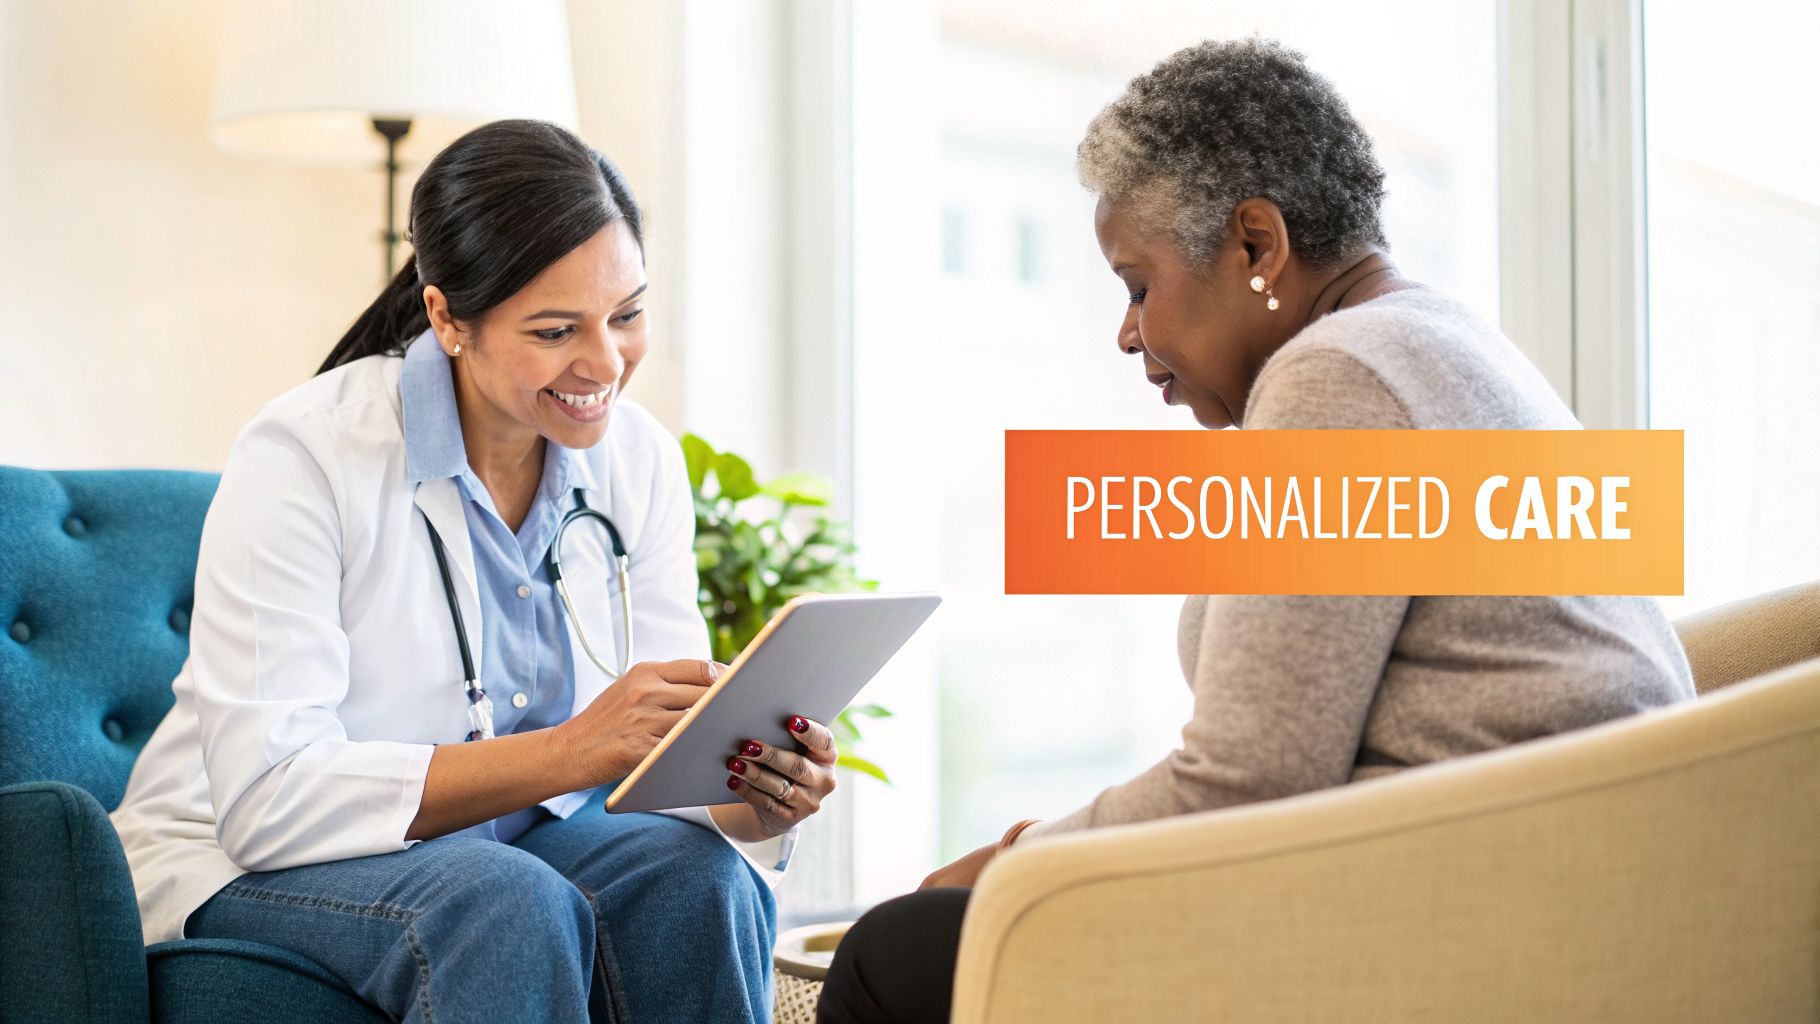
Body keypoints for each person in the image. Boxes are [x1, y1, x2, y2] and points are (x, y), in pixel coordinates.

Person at [816, 38, 1695, 1023]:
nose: (1124, 332)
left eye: (1137, 285)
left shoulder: (1337, 377)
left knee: (896, 950)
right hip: (1536, 888)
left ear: (1253, 245)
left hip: (1456, 927)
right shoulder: (1434, 341)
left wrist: (1015, 863)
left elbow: (1248, 783)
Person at [109, 119, 837, 1024]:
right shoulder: (304, 453)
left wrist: (750, 803)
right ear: (448, 317)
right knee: (502, 904)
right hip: (243, 854)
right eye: (555, 329)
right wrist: (569, 750)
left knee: (696, 876)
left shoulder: (638, 461)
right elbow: (269, 801)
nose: (606, 364)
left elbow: (654, 761)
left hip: (520, 844)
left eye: (628, 314)